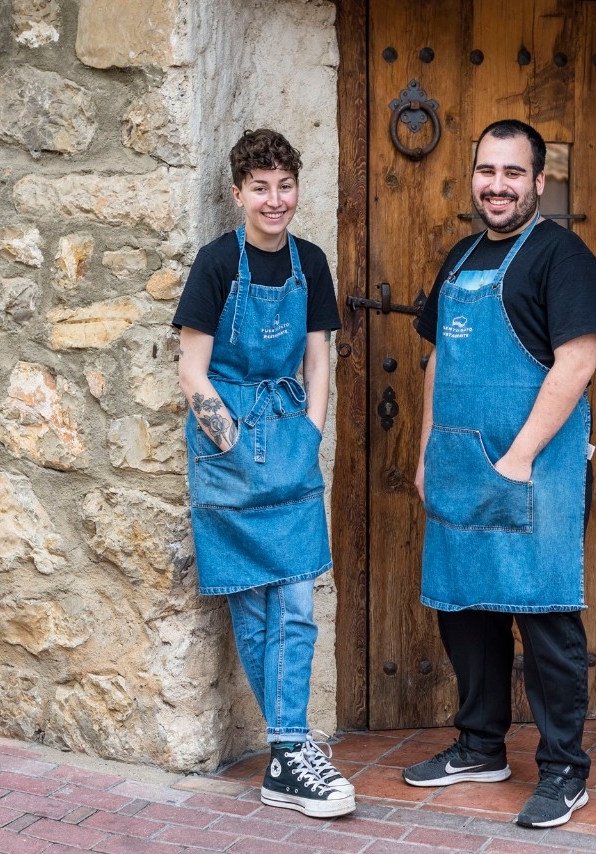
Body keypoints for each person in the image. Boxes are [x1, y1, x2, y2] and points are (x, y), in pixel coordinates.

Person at [405, 119, 596, 829]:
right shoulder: (458, 260)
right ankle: (479, 746)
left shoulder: (564, 257)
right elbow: (438, 362)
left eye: (513, 173)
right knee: (464, 609)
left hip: (534, 470)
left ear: (539, 182)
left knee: (545, 614)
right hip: (461, 465)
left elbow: (578, 360)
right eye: (487, 171)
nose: (498, 186)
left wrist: (518, 458)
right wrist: (426, 449)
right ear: (473, 178)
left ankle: (563, 770)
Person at [174, 128, 354, 819]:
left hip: (290, 442)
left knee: (299, 602)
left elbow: (317, 358)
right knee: (254, 605)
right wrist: (230, 442)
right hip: (229, 444)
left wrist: (309, 432)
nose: (274, 200)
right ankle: (291, 755)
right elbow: (193, 369)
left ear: (295, 188)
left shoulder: (310, 261)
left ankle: (288, 752)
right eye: (260, 188)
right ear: (238, 193)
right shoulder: (217, 262)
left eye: (284, 186)